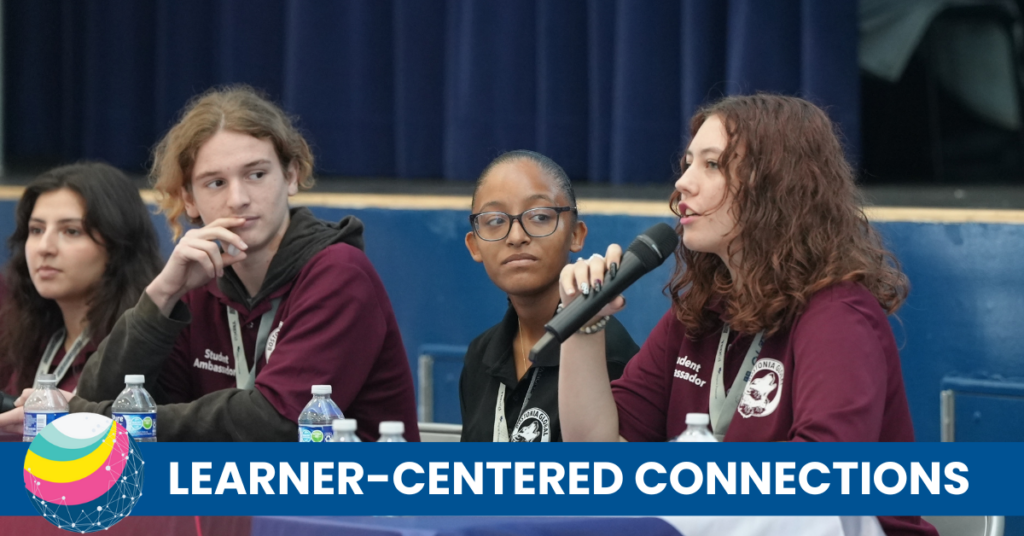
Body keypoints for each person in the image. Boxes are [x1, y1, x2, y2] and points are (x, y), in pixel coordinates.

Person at [556, 95, 936, 536]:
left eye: (712, 165)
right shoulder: (701, 312)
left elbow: (819, 486)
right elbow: (597, 461)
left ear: (776, 186)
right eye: (687, 163)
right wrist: (584, 325)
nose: (683, 183)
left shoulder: (838, 314)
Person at [67, 85, 419, 441]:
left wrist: (98, 419)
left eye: (256, 175)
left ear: (291, 176)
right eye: (216, 182)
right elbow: (96, 398)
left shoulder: (339, 273)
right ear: (189, 199)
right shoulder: (197, 284)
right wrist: (161, 295)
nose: (238, 199)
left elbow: (278, 425)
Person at [459, 151, 638, 442]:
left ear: (576, 235)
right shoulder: (480, 355)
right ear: (474, 246)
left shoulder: (608, 354)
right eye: (495, 220)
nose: (516, 236)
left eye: (540, 217)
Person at [0, 163, 162, 434]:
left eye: (71, 231)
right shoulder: (21, 334)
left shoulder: (139, 347)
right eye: (36, 230)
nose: (45, 248)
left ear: (117, 245)